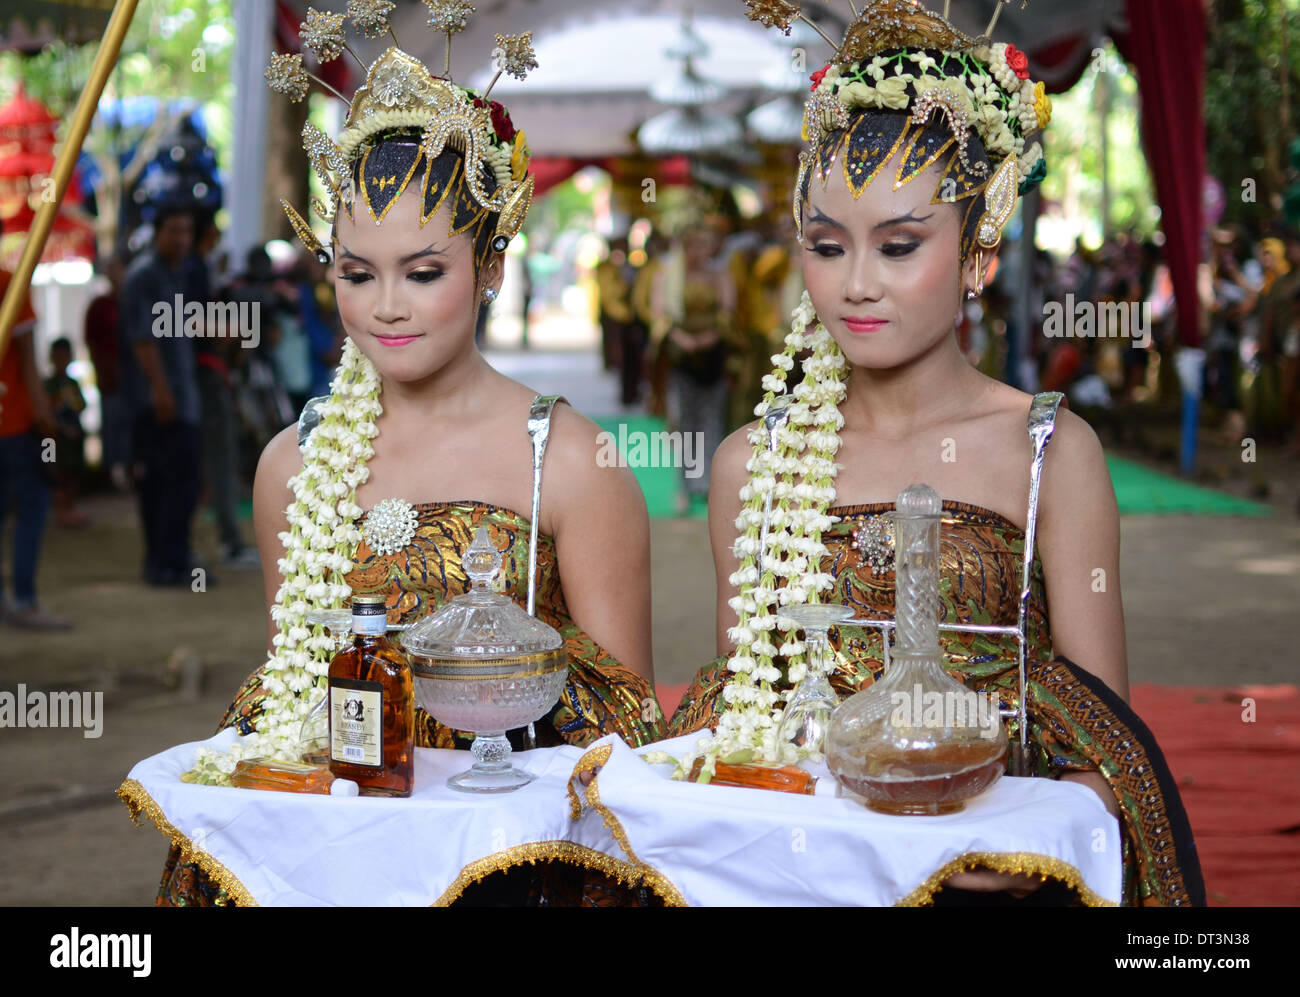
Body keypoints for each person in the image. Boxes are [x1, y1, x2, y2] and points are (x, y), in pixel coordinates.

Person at [670, 0, 1202, 907]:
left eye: (901, 245)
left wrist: (1023, 843)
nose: (857, 284)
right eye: (827, 246)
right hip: (800, 870)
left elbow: (1108, 743)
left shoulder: (1047, 453)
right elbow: (747, 715)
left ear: (977, 250)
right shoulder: (750, 465)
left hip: (990, 874)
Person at [153, 7, 664, 906]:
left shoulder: (571, 459)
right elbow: (295, 680)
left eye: (423, 271)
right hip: (333, 840)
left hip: (510, 855)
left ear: (493, 262)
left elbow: (625, 733)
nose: (387, 305)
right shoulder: (294, 464)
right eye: (358, 273)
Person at [119, 201, 206, 587]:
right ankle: (164, 563)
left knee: (177, 482)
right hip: (158, 401)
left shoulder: (176, 274)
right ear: (158, 233)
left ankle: (170, 559)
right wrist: (161, 392)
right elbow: (143, 341)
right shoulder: (145, 276)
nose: (182, 239)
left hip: (179, 396)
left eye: (187, 231)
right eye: (174, 230)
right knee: (167, 482)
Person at [0, 248, 72, 630]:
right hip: (12, 422)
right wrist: (44, 414)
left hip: (12, 420)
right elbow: (27, 357)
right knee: (32, 505)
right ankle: (24, 600)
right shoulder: (7, 283)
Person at [44, 336, 89, 528]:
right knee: (54, 472)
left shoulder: (72, 384)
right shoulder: (48, 385)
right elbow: (45, 412)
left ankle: (70, 508)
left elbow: (80, 405)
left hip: (73, 439)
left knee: (72, 472)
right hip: (53, 439)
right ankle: (59, 511)